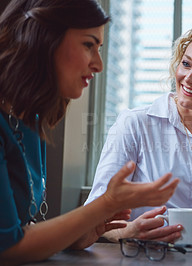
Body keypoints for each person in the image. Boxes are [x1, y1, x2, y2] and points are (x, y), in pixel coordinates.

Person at [0, 0, 179, 265]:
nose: (99, 65)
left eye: (100, 48)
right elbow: (8, 249)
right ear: (43, 37)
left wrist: (85, 231)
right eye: (88, 45)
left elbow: (24, 229)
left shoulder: (28, 120)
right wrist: (106, 204)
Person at [85, 24, 192, 245]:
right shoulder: (135, 124)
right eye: (186, 64)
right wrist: (131, 231)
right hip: (144, 254)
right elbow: (91, 221)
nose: (189, 78)